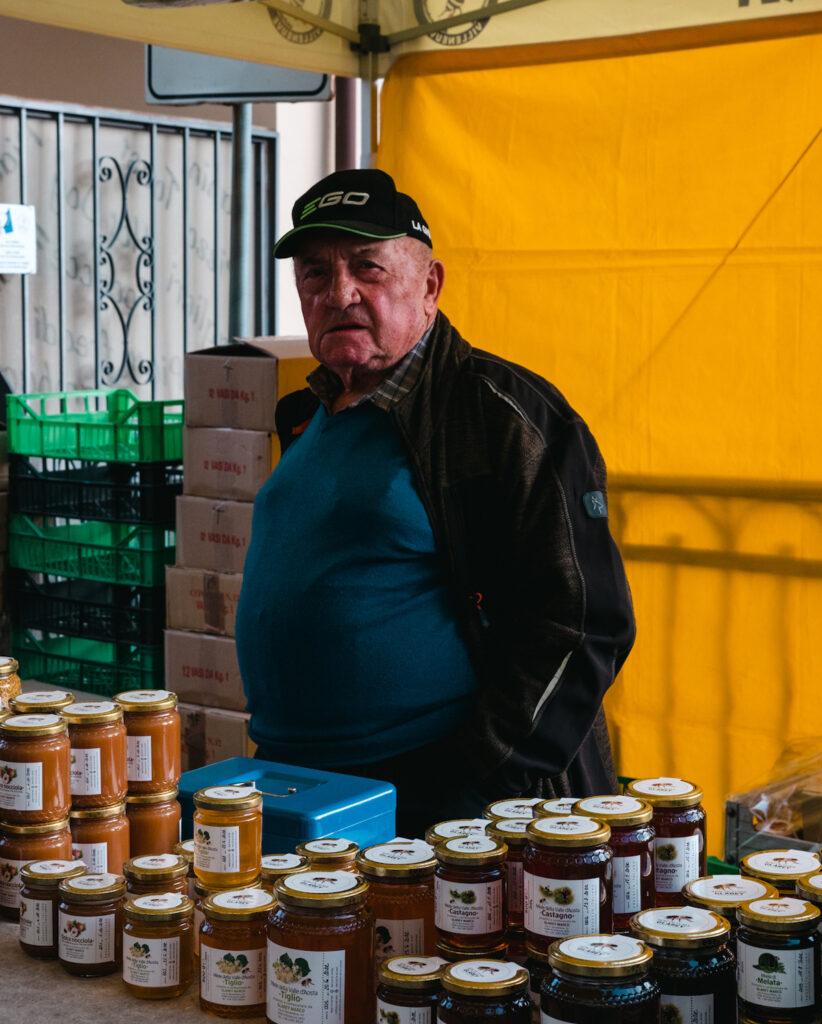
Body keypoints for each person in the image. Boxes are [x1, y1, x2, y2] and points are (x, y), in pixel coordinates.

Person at [235, 168, 635, 838]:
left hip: (434, 803)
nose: (340, 294)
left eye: (368, 267)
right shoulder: (308, 414)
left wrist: (480, 776)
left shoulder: (504, 415)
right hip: (296, 785)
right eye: (315, 274)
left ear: (430, 285)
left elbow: (586, 621)